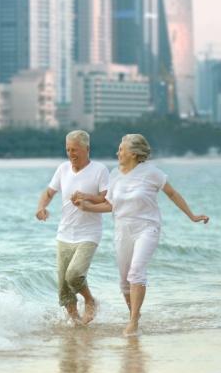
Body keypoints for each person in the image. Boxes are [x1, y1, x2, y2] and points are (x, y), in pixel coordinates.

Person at [75, 134, 209, 335]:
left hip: (147, 228)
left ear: (134, 153)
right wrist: (86, 207)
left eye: (121, 149)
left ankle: (134, 322)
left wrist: (192, 216)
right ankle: (134, 315)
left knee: (136, 271)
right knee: (124, 281)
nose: (117, 152)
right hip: (122, 230)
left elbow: (172, 194)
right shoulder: (114, 175)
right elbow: (110, 205)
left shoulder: (151, 173)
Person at [36, 130, 109, 325]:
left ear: (87, 149)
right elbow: (49, 192)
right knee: (64, 287)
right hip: (64, 233)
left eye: (75, 150)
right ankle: (77, 325)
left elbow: (106, 198)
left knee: (74, 275)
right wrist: (41, 207)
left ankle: (90, 300)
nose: (71, 154)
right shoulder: (62, 169)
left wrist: (86, 197)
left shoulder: (100, 170)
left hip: (89, 233)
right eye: (68, 149)